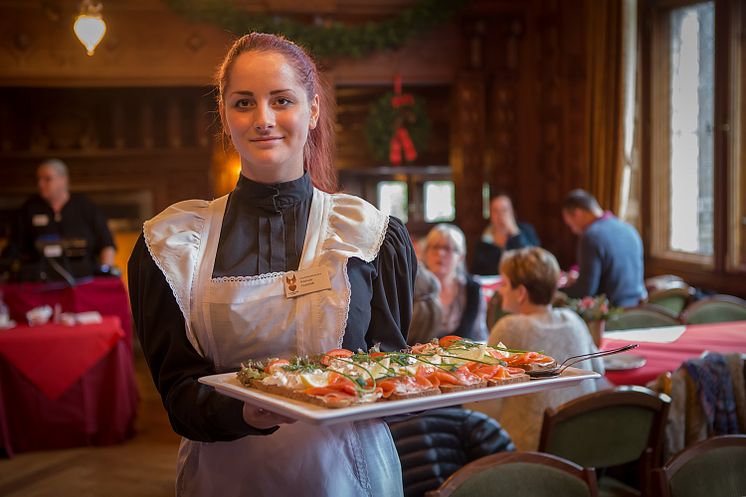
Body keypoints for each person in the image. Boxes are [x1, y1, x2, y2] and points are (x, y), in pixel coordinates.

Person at [128, 33, 416, 497]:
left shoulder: (370, 234)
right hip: (226, 478)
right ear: (224, 115)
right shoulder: (172, 243)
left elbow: (392, 366)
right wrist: (244, 411)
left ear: (313, 110)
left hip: (348, 477)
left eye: (281, 100)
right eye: (244, 103)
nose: (263, 119)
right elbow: (178, 392)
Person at [476, 247, 606, 450]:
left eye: (505, 284)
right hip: (583, 440)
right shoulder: (573, 320)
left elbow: (482, 395)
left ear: (520, 293)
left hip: (529, 447)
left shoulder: (510, 327)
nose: (500, 290)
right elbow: (599, 370)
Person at [2, 159, 116, 280]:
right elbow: (14, 248)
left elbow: (107, 244)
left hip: (83, 278)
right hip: (38, 280)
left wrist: (104, 275)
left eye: (47, 179)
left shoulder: (85, 206)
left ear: (63, 180)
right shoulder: (29, 208)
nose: (40, 184)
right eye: (38, 179)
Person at [561, 189, 646, 308]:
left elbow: (585, 290)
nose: (573, 231)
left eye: (571, 224)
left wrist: (555, 292)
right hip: (639, 307)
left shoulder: (591, 236)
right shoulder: (629, 229)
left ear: (578, 213)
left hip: (612, 313)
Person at [421, 224, 488, 342]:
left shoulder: (472, 289)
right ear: (426, 253)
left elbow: (480, 335)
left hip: (463, 358)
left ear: (460, 257)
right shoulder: (414, 288)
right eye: (435, 247)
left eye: (447, 248)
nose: (440, 253)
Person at [471, 192, 540, 275]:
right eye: (495, 211)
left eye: (504, 210)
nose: (500, 215)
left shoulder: (526, 230)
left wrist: (515, 234)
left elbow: (534, 261)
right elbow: (477, 271)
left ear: (513, 212)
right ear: (490, 214)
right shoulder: (483, 239)